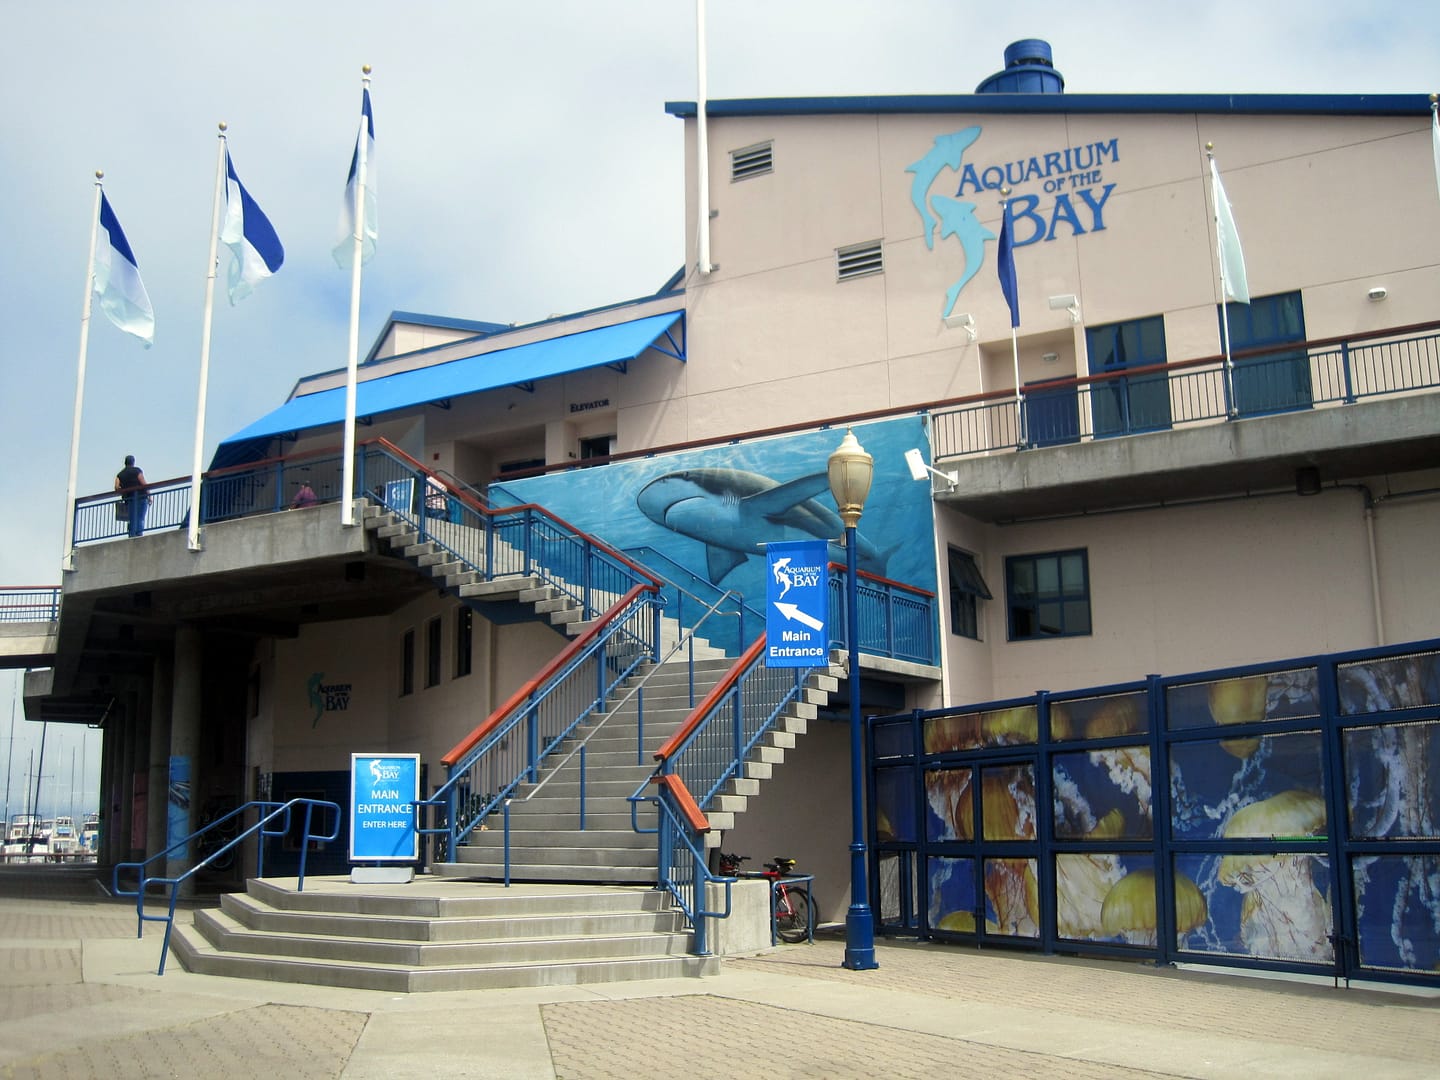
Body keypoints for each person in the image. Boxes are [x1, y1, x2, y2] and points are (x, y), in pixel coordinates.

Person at [114, 454, 149, 537]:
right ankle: (139, 534)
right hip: (141, 497)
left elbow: (116, 487)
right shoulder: (137, 471)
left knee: (132, 518)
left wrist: (123, 492)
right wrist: (149, 495)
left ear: (125, 463)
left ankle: (132, 534)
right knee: (140, 517)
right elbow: (143, 482)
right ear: (133, 462)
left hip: (129, 499)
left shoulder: (120, 474)